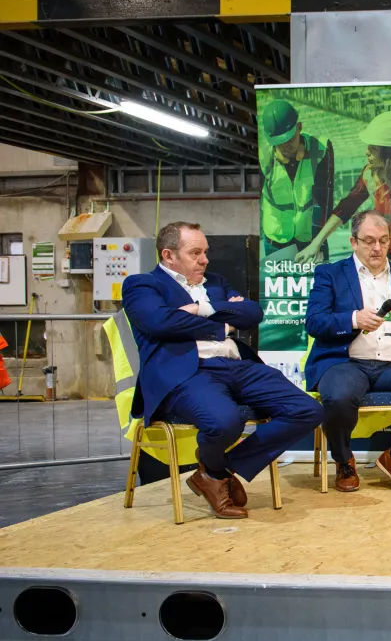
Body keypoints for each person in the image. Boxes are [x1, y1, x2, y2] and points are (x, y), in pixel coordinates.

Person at [121, 221, 324, 519]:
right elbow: (159, 322)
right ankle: (216, 474)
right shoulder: (142, 285)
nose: (204, 259)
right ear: (168, 255)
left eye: (205, 252)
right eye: (195, 253)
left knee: (308, 410)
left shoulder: (214, 282)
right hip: (186, 373)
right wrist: (223, 320)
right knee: (225, 421)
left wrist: (199, 309)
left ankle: (217, 471)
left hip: (236, 366)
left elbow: (253, 313)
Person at [304, 211, 391, 493]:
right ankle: (344, 460)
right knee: (339, 395)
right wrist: (354, 319)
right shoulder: (330, 274)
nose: (377, 248)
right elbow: (315, 321)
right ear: (353, 242)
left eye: (383, 240)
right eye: (369, 241)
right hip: (347, 362)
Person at [296, 110, 391, 264]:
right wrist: (315, 244)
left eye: (373, 149)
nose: (366, 152)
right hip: (390, 259)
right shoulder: (370, 176)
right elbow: (345, 207)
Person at [258, 99, 334, 260]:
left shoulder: (320, 149)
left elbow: (324, 200)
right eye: (279, 142)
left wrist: (318, 242)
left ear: (299, 127)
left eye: (289, 138)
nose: (285, 146)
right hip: (275, 238)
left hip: (310, 237)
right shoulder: (262, 155)